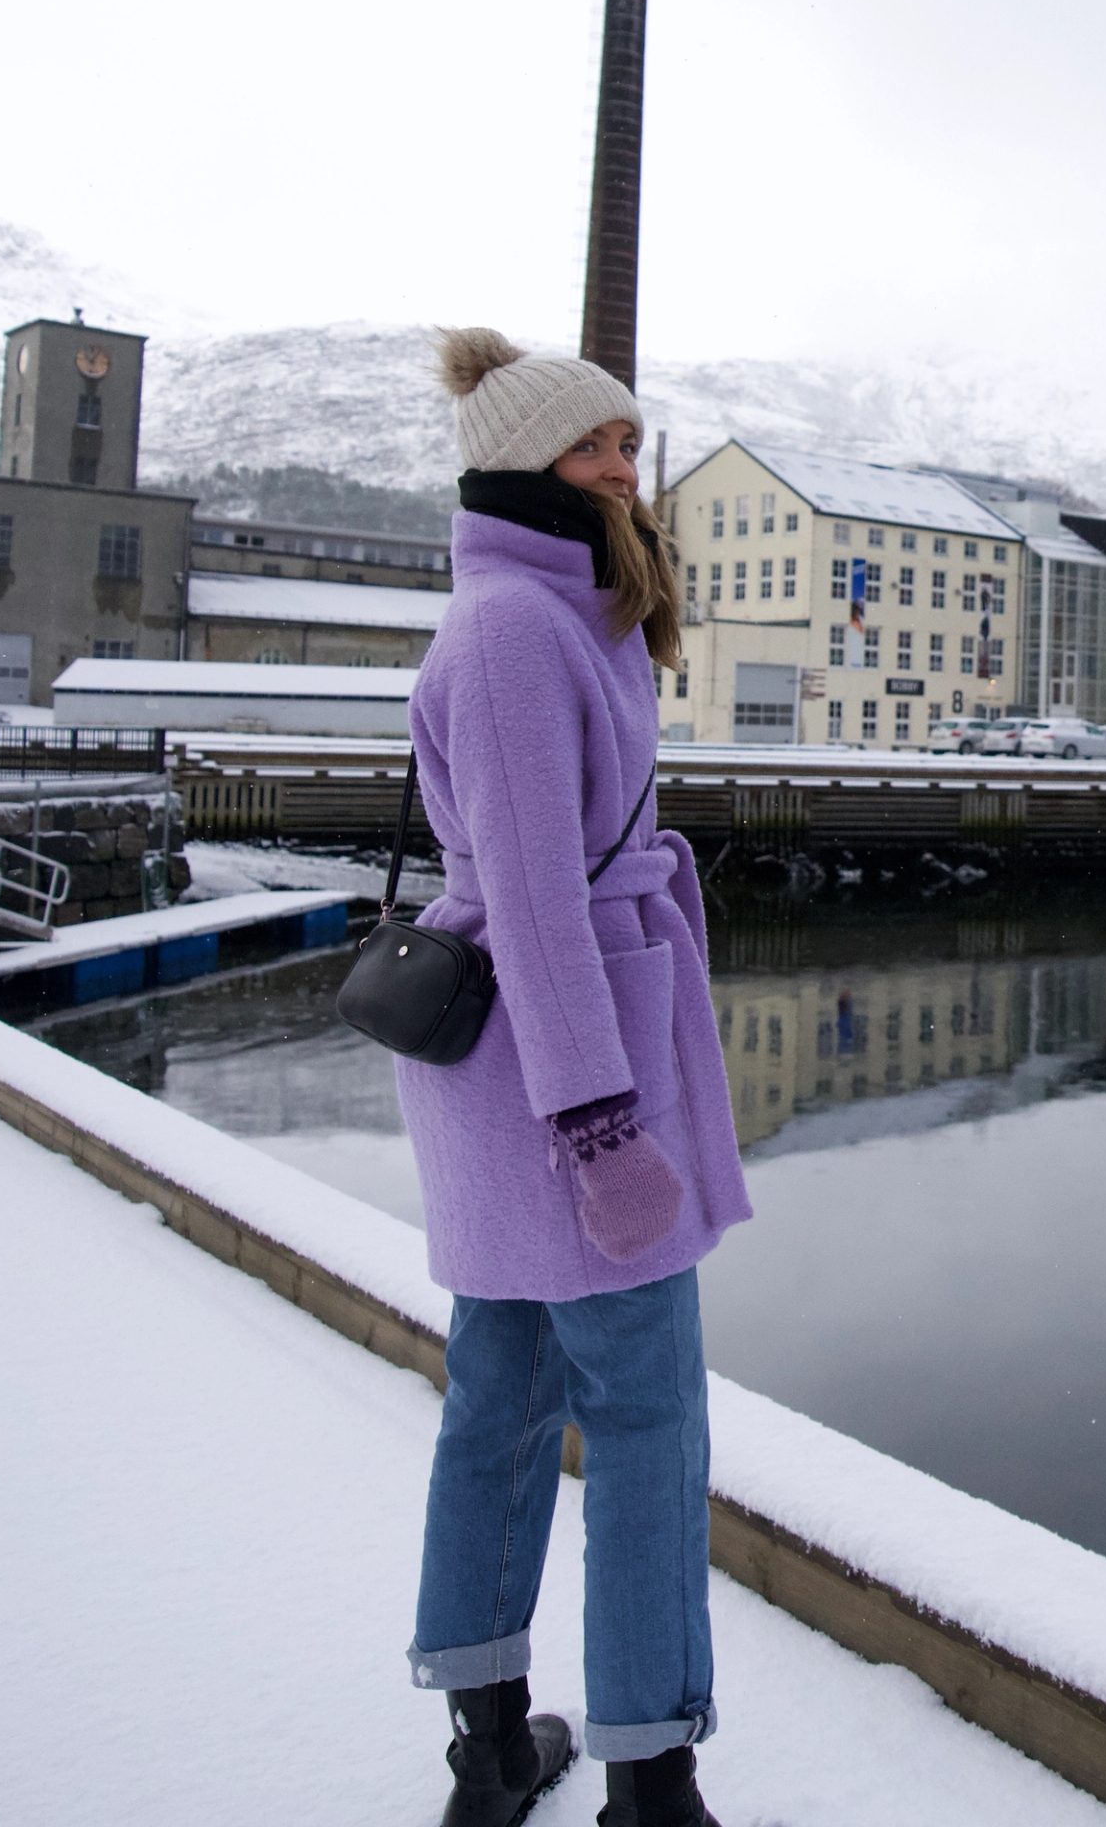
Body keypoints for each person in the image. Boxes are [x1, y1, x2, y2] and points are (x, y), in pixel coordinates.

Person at [398, 327, 750, 1827]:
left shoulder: (554, 616)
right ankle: (650, 1783)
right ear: (521, 465)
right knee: (649, 1417)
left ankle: (493, 1754)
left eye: (629, 445)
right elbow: (538, 898)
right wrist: (603, 1131)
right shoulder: (513, 635)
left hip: (526, 1074)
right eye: (597, 449)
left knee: (505, 1397)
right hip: (566, 1082)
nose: (627, 472)